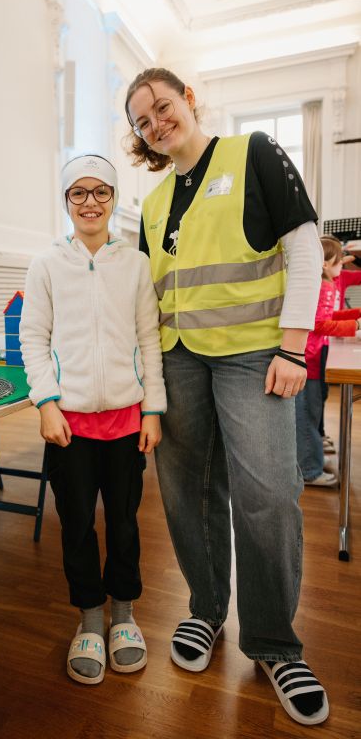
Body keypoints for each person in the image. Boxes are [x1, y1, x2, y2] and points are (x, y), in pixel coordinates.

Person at [125, 67, 329, 726]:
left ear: (188, 99)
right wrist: (148, 380)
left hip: (253, 355)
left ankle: (273, 642)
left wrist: (293, 346)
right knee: (187, 491)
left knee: (267, 494)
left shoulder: (253, 153)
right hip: (178, 359)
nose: (156, 124)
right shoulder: (153, 205)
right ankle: (206, 608)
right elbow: (149, 297)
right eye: (142, 122)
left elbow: (303, 246)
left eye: (162, 107)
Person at [19, 154, 166, 686]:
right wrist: (46, 402)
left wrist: (152, 408)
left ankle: (123, 615)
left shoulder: (136, 264)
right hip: (69, 426)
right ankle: (88, 620)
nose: (90, 202)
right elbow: (33, 338)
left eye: (100, 191)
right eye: (78, 192)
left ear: (114, 198)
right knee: (77, 525)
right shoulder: (46, 264)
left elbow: (149, 339)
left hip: (127, 423)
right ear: (66, 201)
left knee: (124, 523)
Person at [296, 236, 361, 485]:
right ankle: (310, 469)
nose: (342, 264)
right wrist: (355, 324)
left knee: (311, 412)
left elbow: (328, 315)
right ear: (324, 264)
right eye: (339, 261)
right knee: (308, 415)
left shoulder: (324, 284)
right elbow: (320, 323)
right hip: (310, 359)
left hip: (313, 357)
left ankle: (311, 458)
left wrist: (355, 314)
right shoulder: (324, 286)